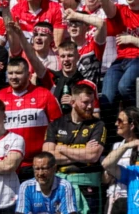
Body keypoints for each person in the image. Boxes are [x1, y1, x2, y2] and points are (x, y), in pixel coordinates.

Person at [0, 56, 63, 179]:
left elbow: (59, 127)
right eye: (10, 73)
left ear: (28, 74)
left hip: (38, 166)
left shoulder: (44, 95)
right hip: (6, 165)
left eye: (18, 73)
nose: (14, 77)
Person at [43, 82, 106, 213]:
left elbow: (92, 156)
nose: (90, 107)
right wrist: (82, 154)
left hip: (88, 187)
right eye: (85, 102)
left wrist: (62, 149)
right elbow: (48, 158)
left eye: (92, 102)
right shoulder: (56, 124)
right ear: (72, 102)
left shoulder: (98, 125)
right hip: (59, 186)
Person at [103, 107, 139, 214]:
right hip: (113, 199)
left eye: (120, 121)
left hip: (135, 198)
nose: (115, 124)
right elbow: (105, 179)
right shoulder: (116, 146)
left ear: (132, 125)